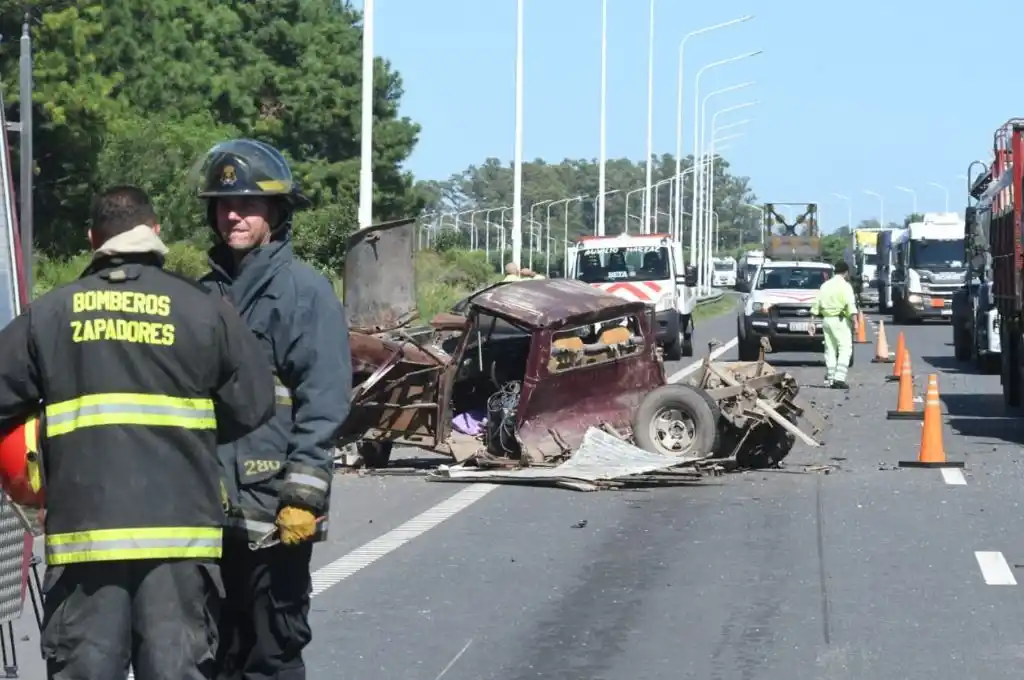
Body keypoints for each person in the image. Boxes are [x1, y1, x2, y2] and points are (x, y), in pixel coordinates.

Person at [0, 185, 277, 679]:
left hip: (85, 545)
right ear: (155, 232)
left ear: (92, 239)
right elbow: (253, 406)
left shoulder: (51, 313)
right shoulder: (203, 308)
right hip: (180, 545)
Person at [196, 139, 352, 679]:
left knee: (272, 652)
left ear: (277, 211)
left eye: (246, 204)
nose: (231, 214)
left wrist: (303, 497)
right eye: (221, 204)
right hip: (208, 516)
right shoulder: (201, 295)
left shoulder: (303, 293)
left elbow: (324, 399)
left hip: (274, 512)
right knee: (215, 656)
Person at [809, 260, 859, 389]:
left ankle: (831, 377)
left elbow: (816, 304)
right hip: (840, 321)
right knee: (845, 348)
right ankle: (839, 379)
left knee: (830, 349)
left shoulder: (825, 285)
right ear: (846, 272)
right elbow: (850, 304)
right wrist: (855, 321)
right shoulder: (845, 286)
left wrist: (812, 321)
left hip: (826, 320)